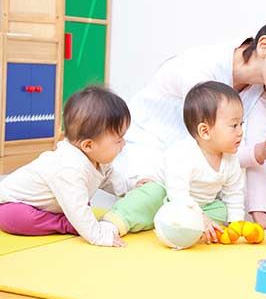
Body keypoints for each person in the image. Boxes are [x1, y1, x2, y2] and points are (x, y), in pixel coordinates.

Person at [115, 7, 266, 230]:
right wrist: (256, 153)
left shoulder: (263, 89)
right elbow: (208, 147)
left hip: (192, 161)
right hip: (146, 147)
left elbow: (255, 153)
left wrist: (260, 213)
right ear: (264, 46)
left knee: (218, 210)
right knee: (157, 199)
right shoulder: (202, 69)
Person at [0, 86, 136, 247]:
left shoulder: (99, 159)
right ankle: (66, 224)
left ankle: (71, 220)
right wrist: (99, 236)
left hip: (49, 206)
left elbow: (112, 179)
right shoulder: (69, 168)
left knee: (79, 206)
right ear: (88, 145)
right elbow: (77, 207)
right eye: (118, 140)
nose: (123, 144)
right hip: (10, 204)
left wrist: (132, 186)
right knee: (16, 218)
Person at [103, 81, 245, 243]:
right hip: (168, 193)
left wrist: (236, 224)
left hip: (201, 204)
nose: (241, 131)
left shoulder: (230, 159)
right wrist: (200, 219)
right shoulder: (183, 153)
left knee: (221, 211)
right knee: (147, 198)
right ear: (205, 131)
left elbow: (234, 192)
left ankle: (181, 225)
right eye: (234, 125)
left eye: (242, 123)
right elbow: (177, 193)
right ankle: (113, 224)